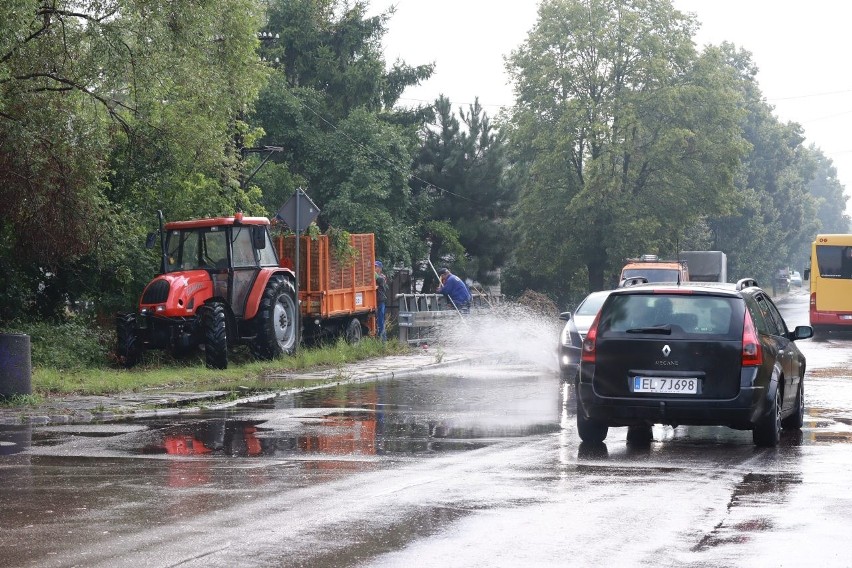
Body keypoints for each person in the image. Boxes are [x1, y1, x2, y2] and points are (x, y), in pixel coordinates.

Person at [375, 260, 388, 340]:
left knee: (381, 321)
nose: (374, 268)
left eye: (376, 267)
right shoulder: (375, 276)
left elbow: (379, 280)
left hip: (381, 301)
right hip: (375, 301)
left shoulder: (382, 277)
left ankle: (383, 340)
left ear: (380, 268)